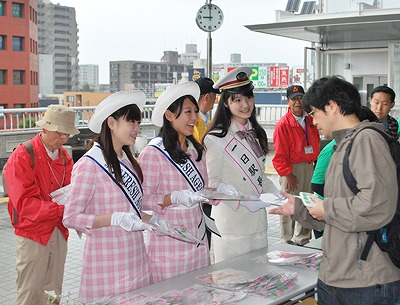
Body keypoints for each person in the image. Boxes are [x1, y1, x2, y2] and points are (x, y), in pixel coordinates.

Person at [269, 76, 400, 305]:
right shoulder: (341, 146)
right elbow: (341, 213)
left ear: (331, 106)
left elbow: (378, 206)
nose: (313, 121)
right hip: (337, 275)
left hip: (365, 280)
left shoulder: (366, 140)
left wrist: (326, 208)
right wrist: (299, 208)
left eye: (314, 113)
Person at [63, 92, 166, 303]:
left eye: (138, 122)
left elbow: (131, 208)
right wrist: (113, 219)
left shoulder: (128, 161)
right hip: (106, 267)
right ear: (111, 122)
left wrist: (152, 219)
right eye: (131, 121)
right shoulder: (89, 165)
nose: (137, 128)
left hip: (136, 258)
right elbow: (70, 217)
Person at [138, 82, 218, 283]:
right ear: (169, 115)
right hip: (169, 241)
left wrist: (215, 193)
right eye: (188, 112)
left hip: (198, 238)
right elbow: (141, 201)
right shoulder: (153, 153)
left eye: (196, 112)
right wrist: (172, 198)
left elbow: (202, 190)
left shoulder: (196, 150)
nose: (194, 118)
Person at [3, 104, 79, 305]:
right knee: (30, 292)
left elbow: (74, 192)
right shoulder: (22, 156)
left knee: (54, 293)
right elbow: (25, 204)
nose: (64, 140)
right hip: (33, 233)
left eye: (67, 136)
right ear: (45, 129)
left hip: (58, 229)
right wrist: (63, 209)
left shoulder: (65, 158)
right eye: (60, 134)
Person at [203, 67, 279, 263]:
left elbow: (260, 176)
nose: (245, 105)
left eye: (248, 98)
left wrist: (279, 197)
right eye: (237, 100)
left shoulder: (256, 132)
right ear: (226, 104)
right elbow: (211, 185)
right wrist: (242, 201)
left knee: (261, 282)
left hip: (259, 224)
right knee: (234, 282)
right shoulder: (215, 139)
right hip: (232, 226)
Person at [310, 106, 378, 239]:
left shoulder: (362, 146)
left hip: (343, 214)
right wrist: (335, 204)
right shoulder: (332, 149)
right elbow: (316, 184)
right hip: (325, 212)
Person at [272, 84, 320, 245]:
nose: (298, 102)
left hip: (309, 166)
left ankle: (303, 238)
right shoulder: (283, 124)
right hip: (291, 169)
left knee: (307, 203)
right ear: (287, 101)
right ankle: (286, 240)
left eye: (300, 98)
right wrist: (287, 174)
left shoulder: (311, 120)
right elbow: (279, 154)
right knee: (289, 203)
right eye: (294, 99)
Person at [193, 77, 220, 248]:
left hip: (207, 183)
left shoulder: (206, 121)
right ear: (206, 97)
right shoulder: (194, 123)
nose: (215, 101)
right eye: (214, 96)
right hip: (200, 184)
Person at [193, 77, 220, 142]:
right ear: (207, 97)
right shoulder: (193, 124)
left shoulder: (207, 122)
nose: (215, 99)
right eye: (214, 95)